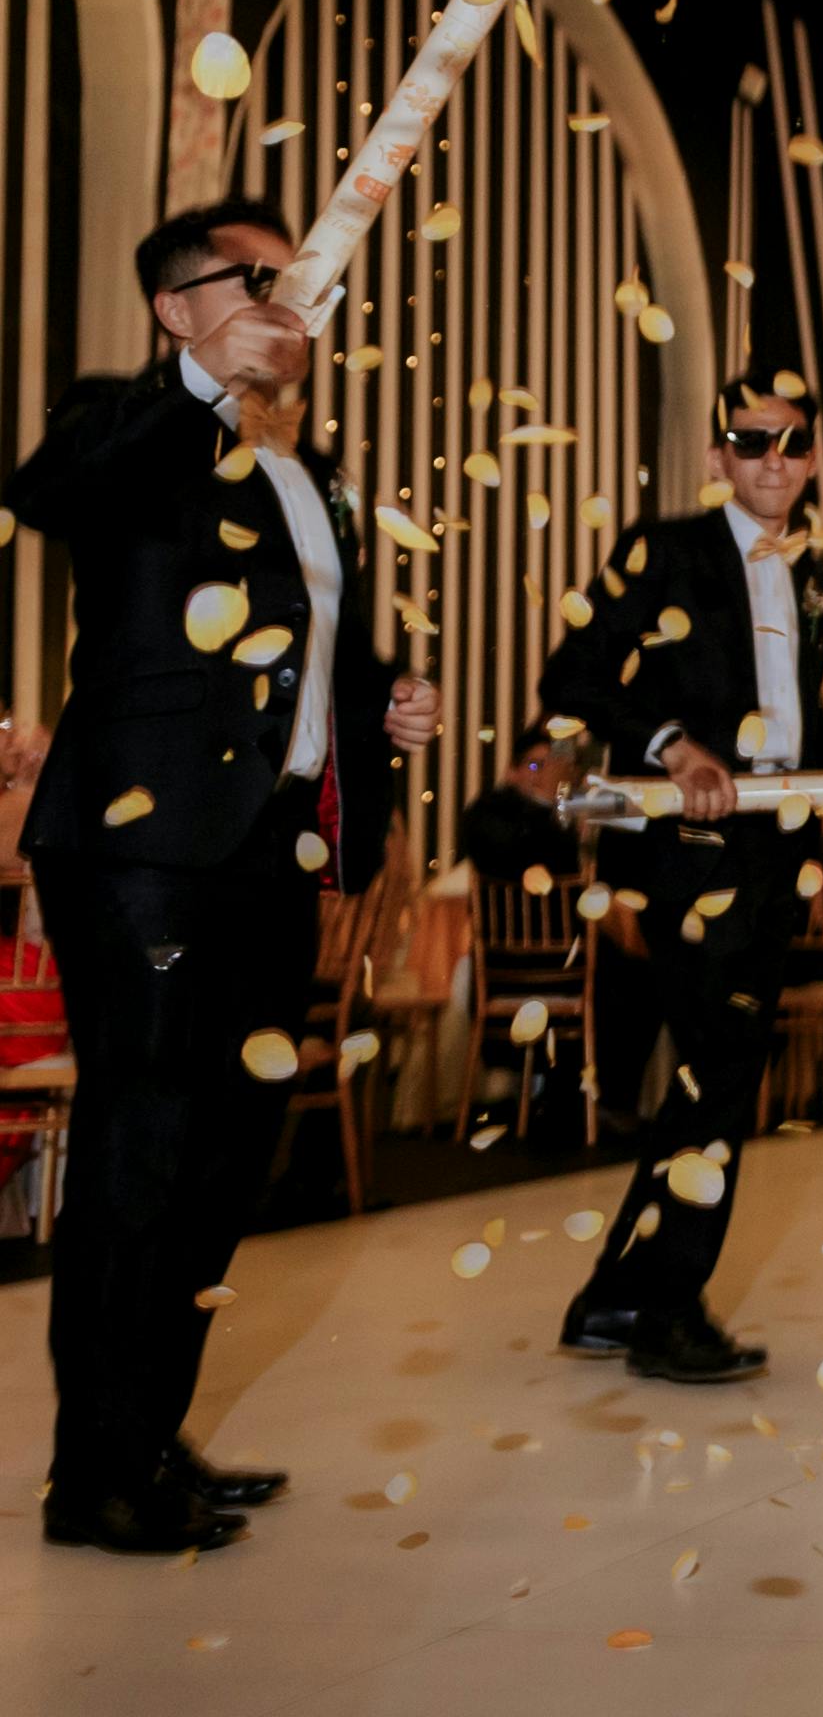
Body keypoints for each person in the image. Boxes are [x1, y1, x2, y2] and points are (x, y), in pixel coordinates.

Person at [7, 199, 440, 1555]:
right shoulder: (126, 424)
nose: (279, 298)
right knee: (140, 1149)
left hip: (273, 855)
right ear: (175, 310)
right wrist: (206, 385)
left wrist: (384, 714)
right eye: (247, 279)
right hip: (144, 856)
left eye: (292, 279)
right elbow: (46, 494)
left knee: (227, 1162)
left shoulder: (318, 482)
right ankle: (93, 1477)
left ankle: (150, 1436)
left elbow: (318, 670)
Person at [538, 377, 823, 1385]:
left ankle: (614, 1299)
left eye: (794, 441)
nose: (774, 456)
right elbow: (572, 676)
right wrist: (674, 748)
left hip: (773, 846)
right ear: (718, 454)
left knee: (710, 1077)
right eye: (751, 438)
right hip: (685, 852)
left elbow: (791, 711)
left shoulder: (811, 573)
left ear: (812, 459)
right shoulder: (665, 547)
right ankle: (668, 1308)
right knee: (717, 1069)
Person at [459, 738, 582, 885]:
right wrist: (545, 800)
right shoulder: (490, 807)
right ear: (512, 771)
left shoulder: (576, 809)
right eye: (535, 766)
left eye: (556, 769)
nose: (548, 775)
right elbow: (513, 858)